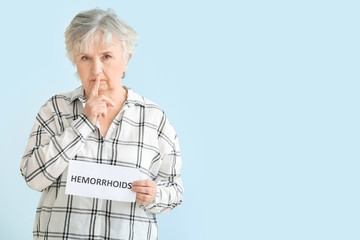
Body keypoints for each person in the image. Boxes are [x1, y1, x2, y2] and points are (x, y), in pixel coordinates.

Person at [20, 8, 183, 240]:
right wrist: (83, 124)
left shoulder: (154, 119)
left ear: (125, 59)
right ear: (75, 62)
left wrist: (155, 195)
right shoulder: (55, 110)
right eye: (85, 58)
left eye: (106, 56)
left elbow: (175, 191)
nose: (96, 70)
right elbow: (33, 177)